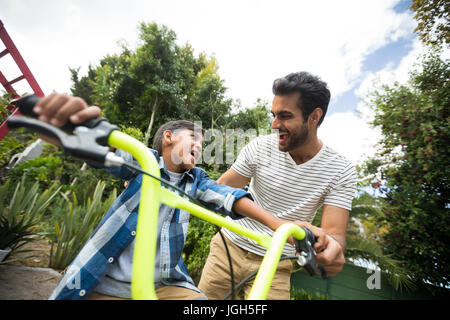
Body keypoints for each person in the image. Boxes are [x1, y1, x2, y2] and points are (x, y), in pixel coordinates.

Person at [34, 93, 303, 300]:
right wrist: (69, 130)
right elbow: (110, 154)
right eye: (193, 138)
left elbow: (229, 196)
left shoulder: (196, 180)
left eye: (202, 144)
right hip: (101, 281)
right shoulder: (144, 161)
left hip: (162, 285)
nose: (199, 146)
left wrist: (276, 224)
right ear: (168, 138)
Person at [198, 71, 357, 300]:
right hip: (227, 250)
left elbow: (334, 234)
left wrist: (330, 247)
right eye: (273, 115)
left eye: (284, 116)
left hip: (277, 264)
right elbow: (219, 190)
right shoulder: (260, 147)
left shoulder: (340, 170)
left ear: (314, 117)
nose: (274, 125)